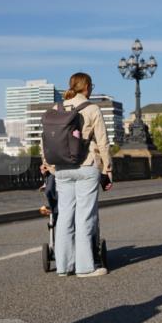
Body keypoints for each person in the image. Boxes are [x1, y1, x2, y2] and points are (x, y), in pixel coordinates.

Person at [42, 73, 114, 277]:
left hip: (62, 169)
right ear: (88, 87)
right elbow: (103, 142)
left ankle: (64, 267)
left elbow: (46, 140)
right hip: (87, 166)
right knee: (85, 217)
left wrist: (48, 165)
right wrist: (107, 169)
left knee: (64, 216)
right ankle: (85, 267)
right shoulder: (92, 109)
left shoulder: (56, 109)